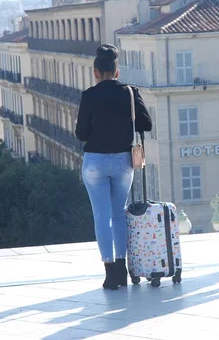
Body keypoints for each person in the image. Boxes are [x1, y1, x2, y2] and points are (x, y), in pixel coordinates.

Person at [75, 44, 152, 290]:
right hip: (123, 161)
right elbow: (146, 124)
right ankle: (122, 267)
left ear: (96, 72)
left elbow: (81, 134)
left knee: (102, 216)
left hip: (96, 161)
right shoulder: (130, 92)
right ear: (117, 72)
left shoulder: (89, 95)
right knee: (119, 214)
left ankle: (110, 273)